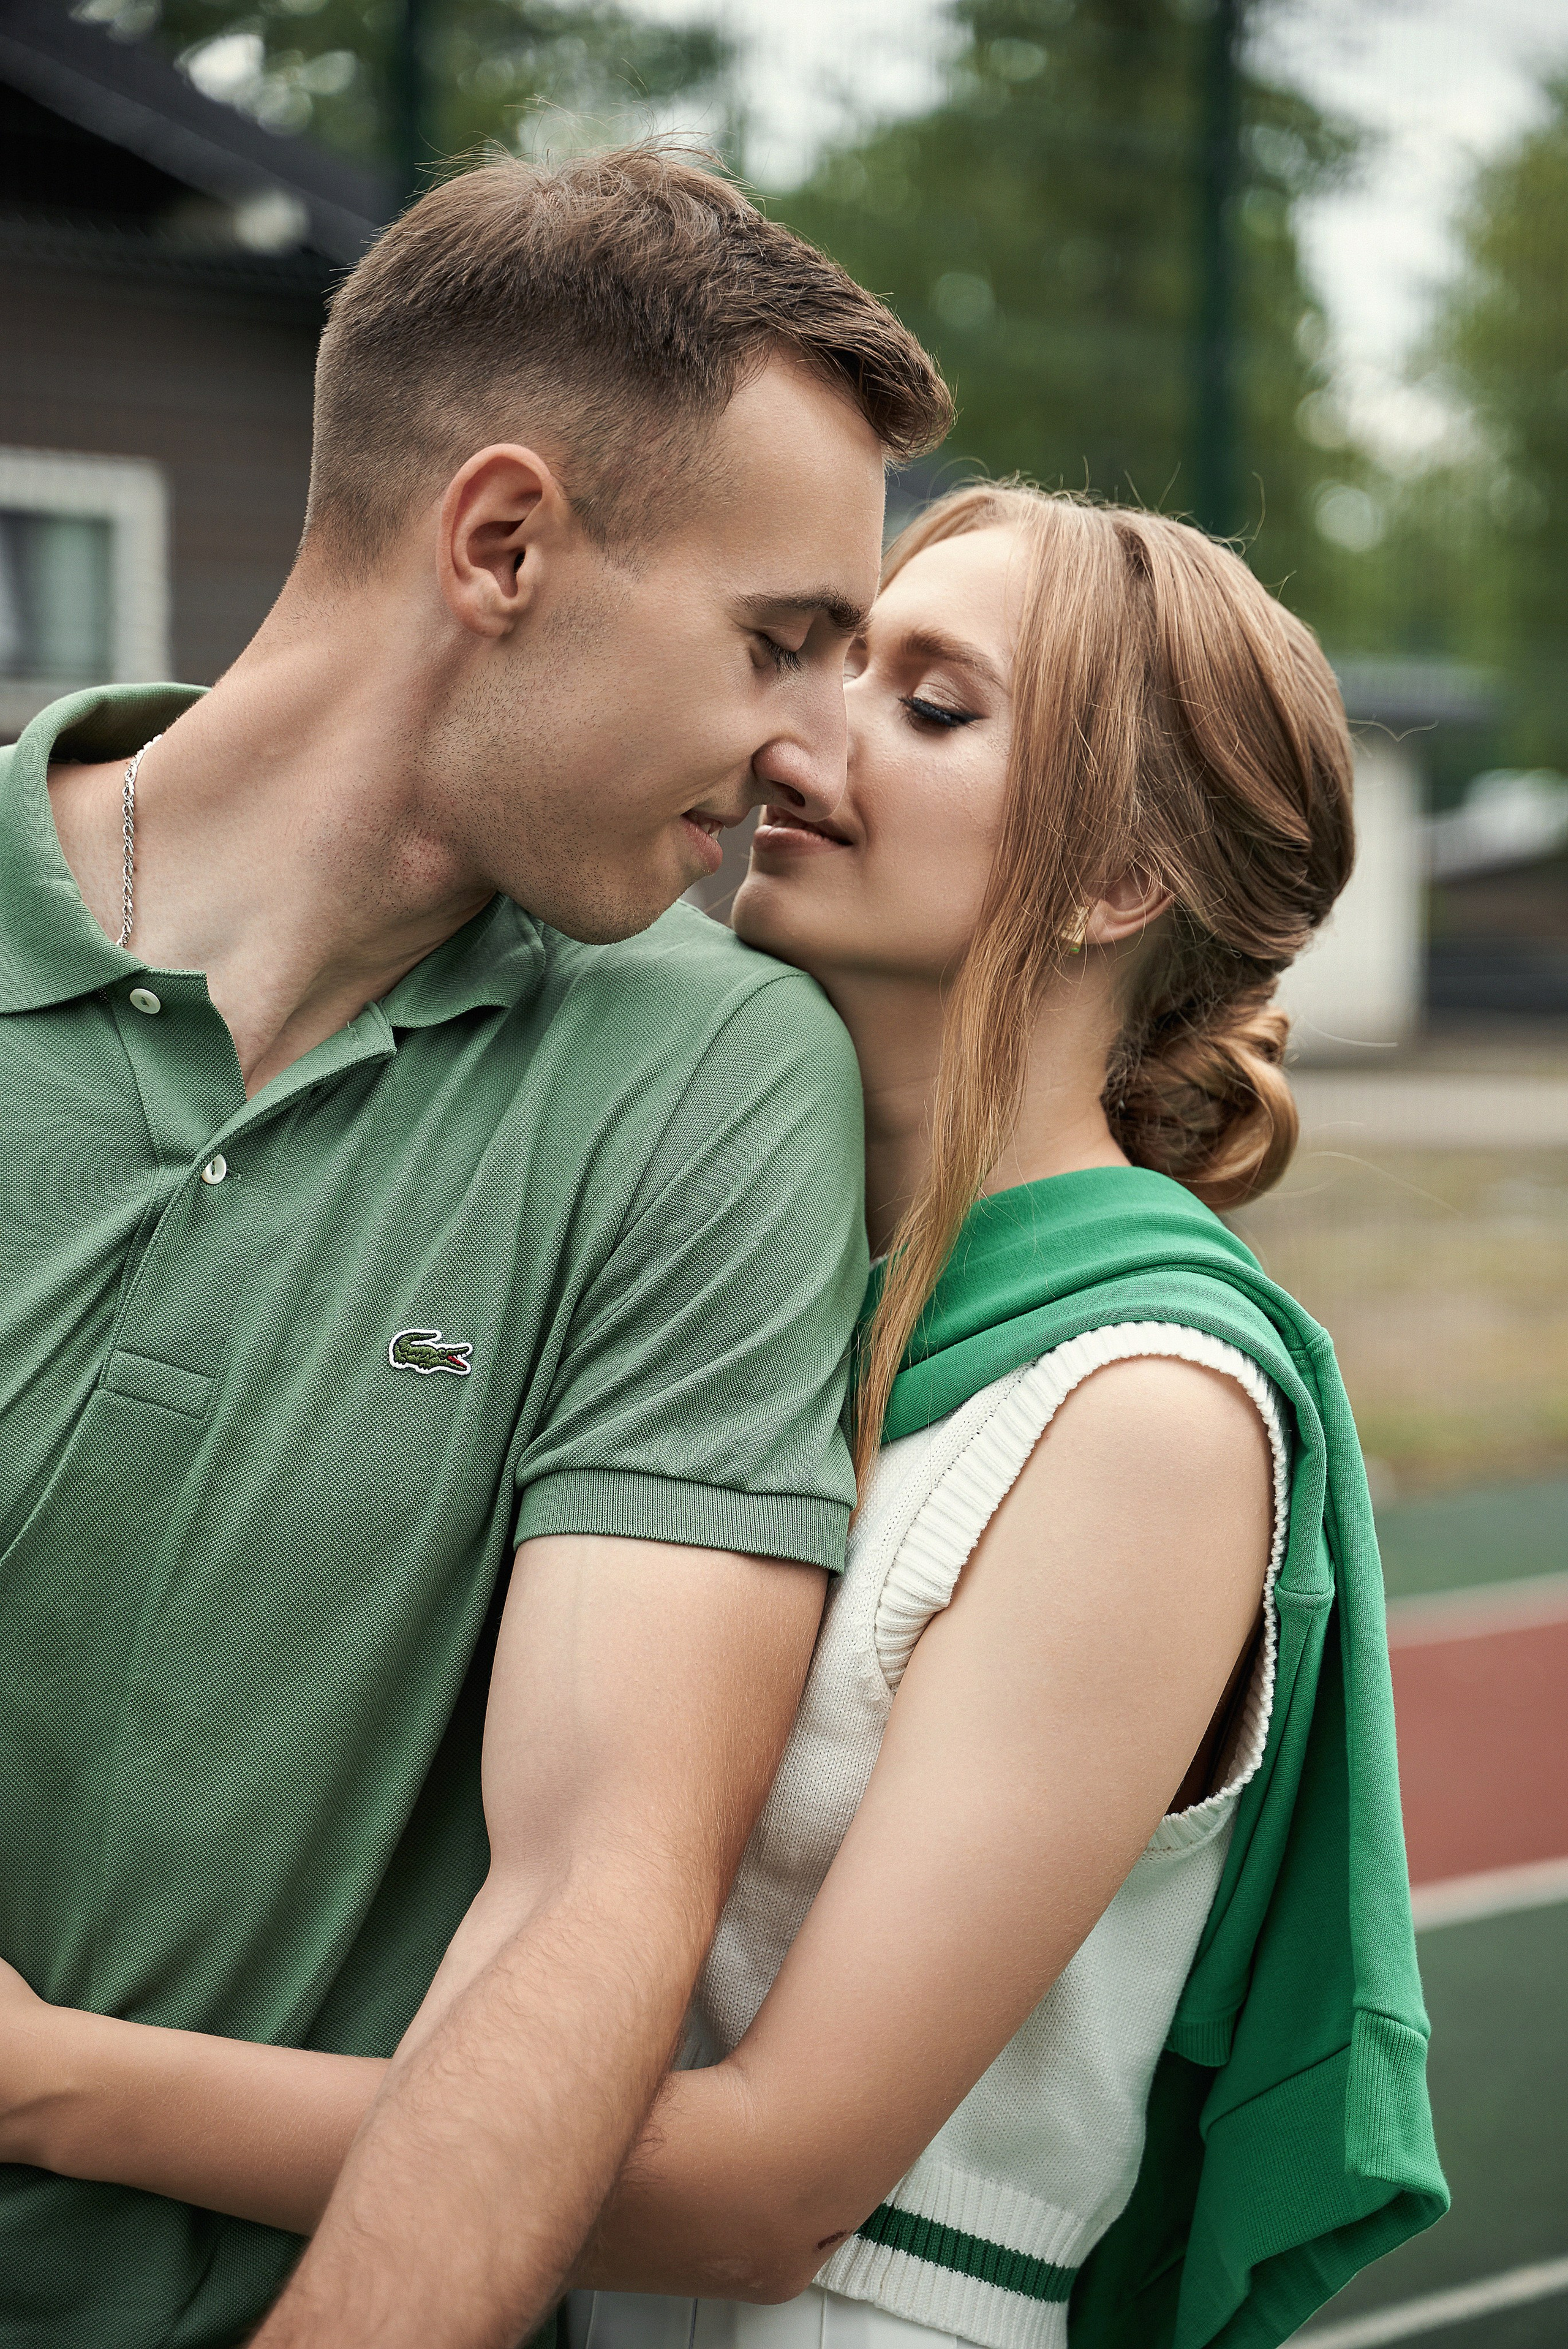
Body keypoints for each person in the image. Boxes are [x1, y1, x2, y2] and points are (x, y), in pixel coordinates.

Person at [0, 488, 1447, 2348]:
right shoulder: (718, 1266)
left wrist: (49, 2082)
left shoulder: (1141, 1413)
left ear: (1114, 883)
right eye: (822, 661)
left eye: (930, 704)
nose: (800, 732)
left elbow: (770, 2186)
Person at [0, 147, 952, 2349]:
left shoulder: (712, 1078)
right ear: (502, 542)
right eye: (779, 642)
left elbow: (595, 1887)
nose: (813, 756)